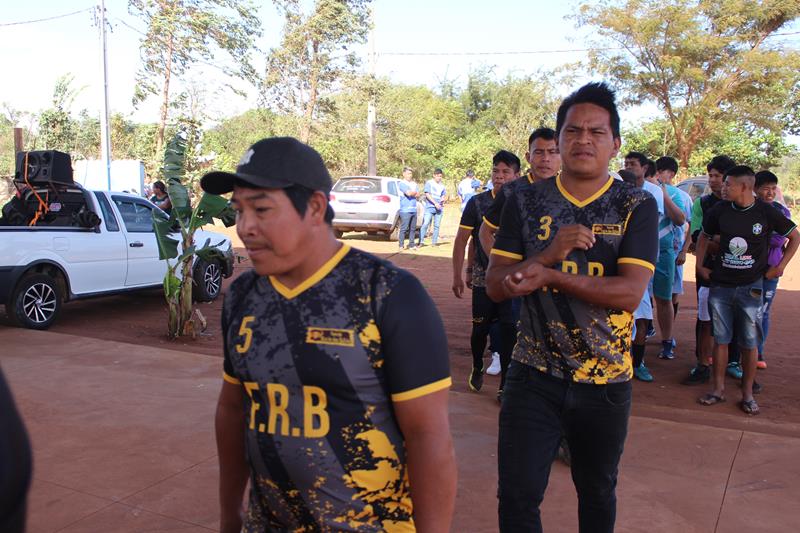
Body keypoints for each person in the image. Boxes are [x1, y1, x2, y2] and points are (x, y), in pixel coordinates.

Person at [205, 137, 457, 532]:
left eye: (261, 209)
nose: (245, 227)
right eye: (239, 210)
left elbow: (429, 437)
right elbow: (233, 410)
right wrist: (228, 515)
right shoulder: (242, 294)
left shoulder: (388, 294)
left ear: (316, 207)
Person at [486, 82, 658, 533]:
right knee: (518, 497)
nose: (584, 140)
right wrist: (545, 254)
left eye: (597, 132)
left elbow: (629, 293)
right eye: (573, 131)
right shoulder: (522, 200)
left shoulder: (635, 204)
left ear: (615, 143)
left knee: (597, 492)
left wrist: (555, 276)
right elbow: (496, 287)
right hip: (531, 376)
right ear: (558, 141)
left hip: (605, 381)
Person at [696, 165, 798, 415]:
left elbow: (795, 236)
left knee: (749, 343)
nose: (723, 187)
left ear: (744, 187)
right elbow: (703, 237)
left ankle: (747, 394)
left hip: (751, 287)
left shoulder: (766, 212)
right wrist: (699, 266)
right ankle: (717, 390)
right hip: (720, 285)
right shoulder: (719, 209)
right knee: (720, 340)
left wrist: (780, 267)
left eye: (728, 183)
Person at [452, 150, 520, 400]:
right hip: (483, 275)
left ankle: (505, 384)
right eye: (496, 171)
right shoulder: (478, 203)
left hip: (512, 278)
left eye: (505, 172)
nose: (499, 177)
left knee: (509, 327)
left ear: (517, 175)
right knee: (480, 328)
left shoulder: (524, 201)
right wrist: (460, 274)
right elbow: (462, 240)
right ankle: (478, 365)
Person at [683, 155, 736, 385]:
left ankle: (732, 362)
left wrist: (712, 239)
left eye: (718, 175)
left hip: (736, 271)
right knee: (705, 317)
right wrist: (722, 240)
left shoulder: (744, 205)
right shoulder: (702, 204)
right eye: (711, 175)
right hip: (707, 269)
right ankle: (702, 363)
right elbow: (696, 236)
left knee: (736, 317)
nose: (713, 180)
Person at [478, 127, 561, 256]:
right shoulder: (510, 191)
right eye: (539, 152)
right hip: (521, 272)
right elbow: (485, 231)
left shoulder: (571, 190)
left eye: (552, 152)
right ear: (528, 157)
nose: (546, 158)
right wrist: (500, 266)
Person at [624, 152, 665, 382]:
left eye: (633, 164)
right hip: (618, 269)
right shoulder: (613, 201)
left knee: (642, 318)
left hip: (643, 266)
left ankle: (638, 363)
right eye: (626, 164)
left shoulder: (651, 197)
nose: (629, 167)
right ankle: (621, 360)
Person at [754, 170, 791, 369]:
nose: (770, 193)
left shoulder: (781, 211)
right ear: (754, 189)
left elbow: (779, 238)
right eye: (765, 188)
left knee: (763, 312)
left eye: (772, 189)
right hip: (749, 269)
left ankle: (758, 351)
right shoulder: (749, 208)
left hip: (771, 269)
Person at [651, 156, 687, 360]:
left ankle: (667, 340)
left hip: (665, 254)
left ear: (670, 174)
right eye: (654, 172)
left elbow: (681, 220)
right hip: (642, 252)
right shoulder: (642, 190)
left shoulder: (675, 194)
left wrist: (664, 195)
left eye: (660, 172)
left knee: (664, 299)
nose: (656, 176)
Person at [418, 168, 448, 246]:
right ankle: (421, 241)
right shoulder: (429, 183)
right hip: (430, 207)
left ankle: (434, 242)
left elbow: (444, 195)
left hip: (439, 208)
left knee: (437, 226)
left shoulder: (442, 186)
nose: (439, 178)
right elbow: (427, 194)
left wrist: (443, 199)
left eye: (441, 176)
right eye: (438, 176)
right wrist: (435, 203)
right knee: (426, 223)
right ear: (434, 175)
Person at [397, 166, 419, 250]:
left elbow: (418, 194)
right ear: (404, 174)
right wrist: (413, 193)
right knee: (404, 228)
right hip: (405, 210)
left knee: (413, 229)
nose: (410, 175)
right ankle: (401, 245)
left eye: (411, 173)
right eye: (408, 173)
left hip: (414, 209)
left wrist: (412, 193)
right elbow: (409, 193)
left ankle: (411, 244)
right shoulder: (402, 183)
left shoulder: (414, 184)